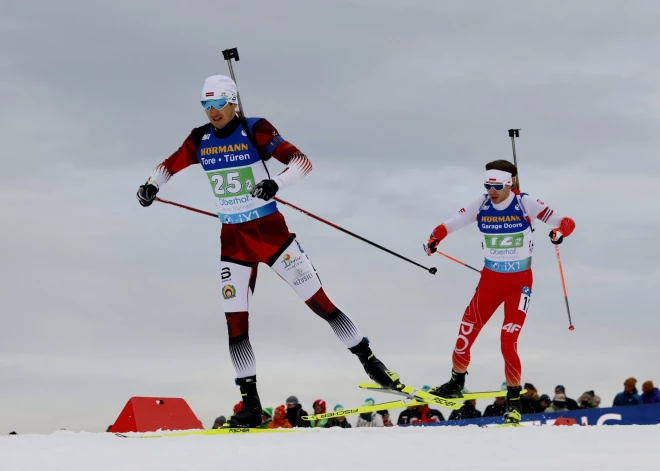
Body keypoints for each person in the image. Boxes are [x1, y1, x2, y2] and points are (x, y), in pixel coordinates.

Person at [136, 75, 400, 428]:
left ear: (234, 102)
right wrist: (151, 186)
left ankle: (372, 363)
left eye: (219, 104)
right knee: (235, 322)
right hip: (233, 240)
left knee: (319, 302)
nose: (213, 112)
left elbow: (301, 161)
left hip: (270, 233)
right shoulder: (200, 138)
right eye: (206, 105)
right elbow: (166, 166)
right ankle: (249, 402)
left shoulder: (255, 129)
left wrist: (277, 182)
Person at [424, 160, 576, 425]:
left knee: (507, 342)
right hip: (490, 280)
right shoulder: (481, 204)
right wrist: (434, 238)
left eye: (496, 186)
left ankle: (514, 402)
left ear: (510, 184)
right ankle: (456, 382)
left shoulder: (526, 203)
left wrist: (558, 231)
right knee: (466, 331)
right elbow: (452, 223)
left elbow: (566, 221)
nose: (491, 191)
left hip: (519, 283)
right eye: (487, 185)